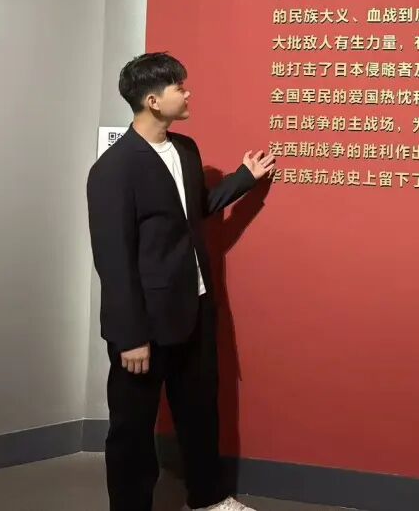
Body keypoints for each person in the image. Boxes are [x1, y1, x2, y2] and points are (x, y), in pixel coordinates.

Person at [88, 52, 276, 511]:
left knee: (199, 413)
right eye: (179, 87)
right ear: (153, 100)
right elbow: (112, 259)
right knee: (132, 431)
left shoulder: (186, 150)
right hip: (144, 326)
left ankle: (208, 499)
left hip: (195, 309)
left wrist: (245, 180)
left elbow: (198, 207)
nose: (188, 93)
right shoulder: (114, 169)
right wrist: (130, 336)